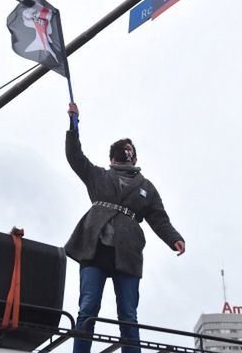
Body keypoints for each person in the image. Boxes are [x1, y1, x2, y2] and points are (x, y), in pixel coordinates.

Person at [64, 102, 185, 353]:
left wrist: (174, 237)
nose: (126, 154)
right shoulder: (98, 176)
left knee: (128, 315)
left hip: (127, 252)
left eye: (130, 151)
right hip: (94, 249)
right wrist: (73, 125)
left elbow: (158, 217)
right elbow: (76, 158)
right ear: (112, 158)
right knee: (87, 309)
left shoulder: (146, 187)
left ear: (135, 157)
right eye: (122, 152)